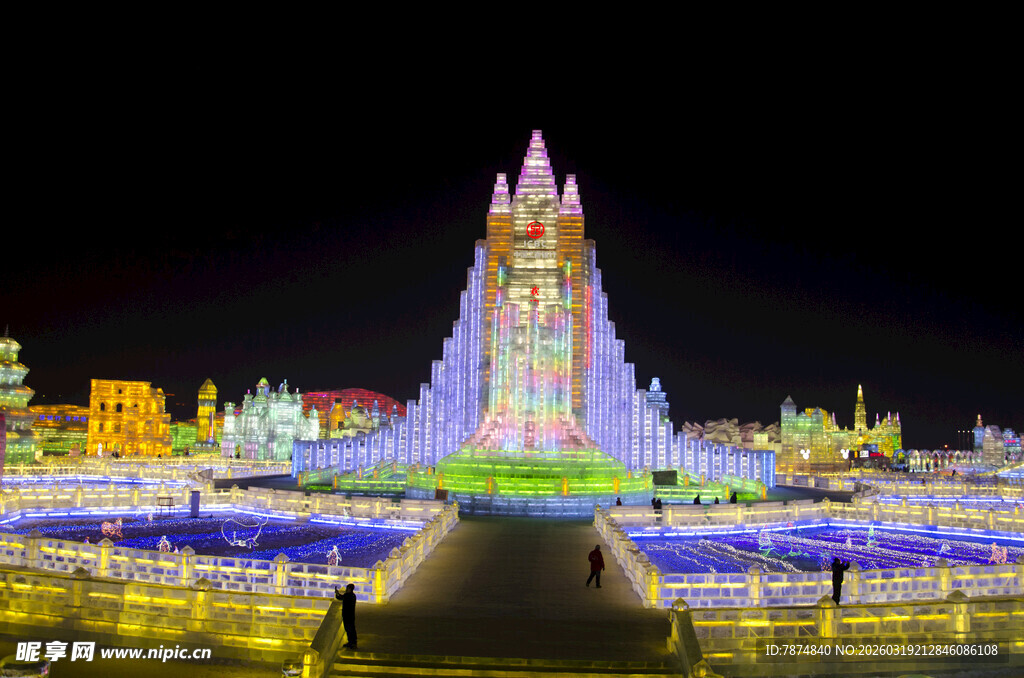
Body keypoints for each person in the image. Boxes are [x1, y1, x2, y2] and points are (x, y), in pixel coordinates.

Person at [335, 584, 357, 649]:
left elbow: (342, 598)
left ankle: (353, 643)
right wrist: (337, 594)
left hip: (349, 615)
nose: (346, 590)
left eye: (348, 588)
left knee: (350, 629)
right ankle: (351, 642)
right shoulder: (350, 595)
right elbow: (340, 597)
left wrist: (338, 594)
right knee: (348, 629)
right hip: (346, 615)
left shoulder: (351, 596)